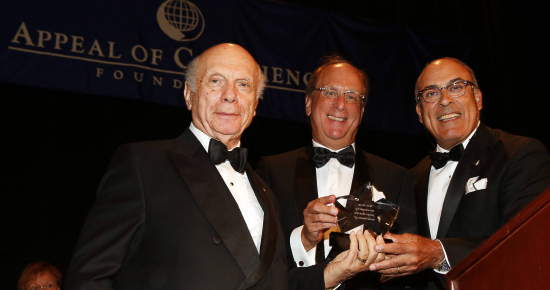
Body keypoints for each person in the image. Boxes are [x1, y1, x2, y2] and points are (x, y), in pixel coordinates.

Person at [65, 43, 289, 289]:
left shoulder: (266, 192)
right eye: (215, 81)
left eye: (244, 84)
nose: (230, 94)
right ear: (189, 94)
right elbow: (88, 277)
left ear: (255, 105)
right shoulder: (142, 165)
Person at [369, 57, 550, 289]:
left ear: (478, 98)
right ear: (420, 112)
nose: (445, 101)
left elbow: (526, 243)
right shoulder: (411, 177)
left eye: (456, 88)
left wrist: (439, 254)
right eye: (431, 93)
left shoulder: (520, 154)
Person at [256, 55, 417, 289]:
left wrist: (381, 257)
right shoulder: (271, 170)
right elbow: (260, 259)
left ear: (361, 113)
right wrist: (304, 239)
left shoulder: (397, 177)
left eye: (352, 96)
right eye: (330, 92)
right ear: (309, 103)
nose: (341, 104)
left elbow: (406, 270)